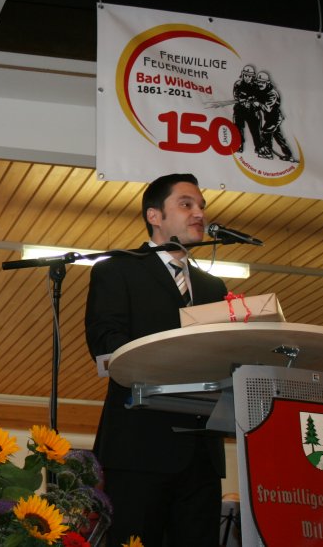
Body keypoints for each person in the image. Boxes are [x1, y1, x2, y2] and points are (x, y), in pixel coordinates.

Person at [85, 173, 228, 546]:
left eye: (202, 206)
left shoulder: (213, 287)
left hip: (201, 453)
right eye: (186, 204)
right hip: (138, 447)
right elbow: (106, 342)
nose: (199, 213)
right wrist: (171, 360)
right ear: (154, 216)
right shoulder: (116, 269)